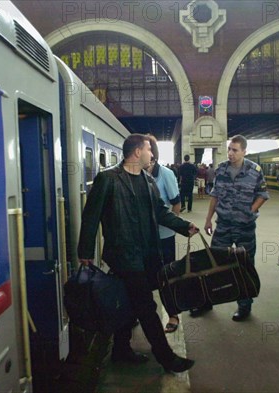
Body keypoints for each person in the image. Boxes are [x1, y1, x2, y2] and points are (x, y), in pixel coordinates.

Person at [77, 134, 197, 373]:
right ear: (136, 152)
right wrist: (85, 251)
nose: (152, 154)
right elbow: (91, 216)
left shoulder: (148, 181)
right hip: (124, 255)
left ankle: (120, 350)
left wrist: (184, 226)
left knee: (129, 304)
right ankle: (167, 358)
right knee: (146, 307)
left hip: (147, 254)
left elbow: (161, 212)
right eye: (149, 150)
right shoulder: (108, 179)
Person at [202, 134, 270, 321]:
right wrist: (208, 219)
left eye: (235, 150)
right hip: (223, 225)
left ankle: (244, 306)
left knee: (244, 266)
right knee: (214, 263)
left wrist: (250, 210)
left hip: (245, 227)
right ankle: (207, 301)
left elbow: (263, 194)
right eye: (229, 149)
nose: (230, 153)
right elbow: (215, 195)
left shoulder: (254, 170)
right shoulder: (221, 169)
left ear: (244, 151)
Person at [146, 135, 182, 333]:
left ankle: (173, 315)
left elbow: (176, 203)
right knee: (146, 278)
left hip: (165, 236)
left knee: (167, 277)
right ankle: (143, 314)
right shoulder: (137, 174)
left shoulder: (166, 174)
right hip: (145, 237)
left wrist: (173, 226)